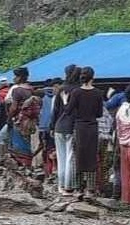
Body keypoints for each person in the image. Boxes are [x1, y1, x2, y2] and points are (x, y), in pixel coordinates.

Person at [65, 66, 104, 199]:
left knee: (78, 157)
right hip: (92, 127)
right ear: (93, 77)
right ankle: (90, 189)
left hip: (79, 127)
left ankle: (78, 188)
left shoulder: (76, 92)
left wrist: (65, 101)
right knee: (91, 157)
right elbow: (99, 113)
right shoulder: (98, 93)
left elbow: (68, 111)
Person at [51, 65, 80, 194]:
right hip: (72, 127)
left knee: (61, 157)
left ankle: (61, 185)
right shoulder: (79, 90)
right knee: (70, 157)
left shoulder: (61, 89)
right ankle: (69, 186)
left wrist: (52, 126)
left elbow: (55, 111)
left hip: (59, 126)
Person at [4, 67, 36, 166]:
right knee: (27, 141)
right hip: (30, 121)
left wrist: (9, 118)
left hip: (19, 120)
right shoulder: (31, 89)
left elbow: (14, 108)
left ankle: (21, 165)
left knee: (18, 143)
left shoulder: (17, 90)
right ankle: (28, 164)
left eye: (16, 76)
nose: (14, 79)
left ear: (21, 77)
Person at [38, 79, 58, 177]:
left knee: (45, 149)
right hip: (54, 126)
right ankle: (55, 168)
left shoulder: (40, 95)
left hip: (43, 126)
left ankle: (48, 171)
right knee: (55, 148)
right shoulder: (58, 95)